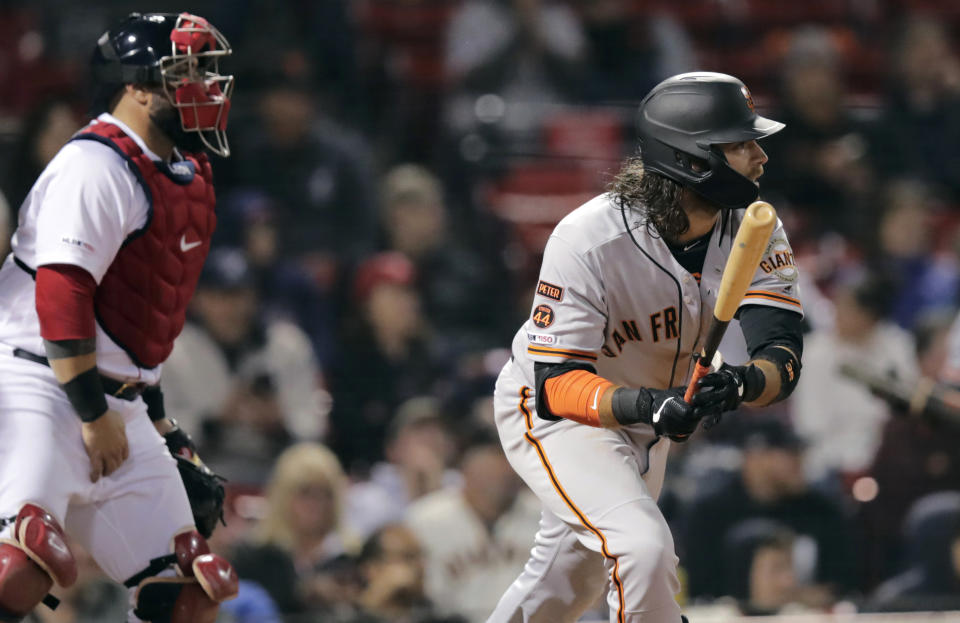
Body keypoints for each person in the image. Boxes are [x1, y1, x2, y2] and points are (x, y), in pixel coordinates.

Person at [486, 72, 805, 623]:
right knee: (643, 549)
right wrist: (649, 404)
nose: (760, 155)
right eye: (741, 143)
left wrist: (739, 383)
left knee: (563, 586)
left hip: (649, 417)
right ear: (693, 159)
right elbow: (555, 385)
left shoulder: (756, 228)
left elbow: (782, 355)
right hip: (559, 416)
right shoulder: (587, 239)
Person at [0, 12, 238, 622]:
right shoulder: (95, 164)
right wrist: (91, 411)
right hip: (39, 385)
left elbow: (142, 325)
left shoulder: (186, 174)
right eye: (184, 73)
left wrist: (156, 420)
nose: (204, 88)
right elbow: (62, 294)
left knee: (187, 598)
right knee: (17, 572)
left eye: (204, 73)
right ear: (135, 85)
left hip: (116, 403)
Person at [681, 417, 854, 604]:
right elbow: (699, 591)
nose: (800, 462)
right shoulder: (710, 514)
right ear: (755, 457)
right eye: (790, 453)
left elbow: (843, 585)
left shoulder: (822, 511)